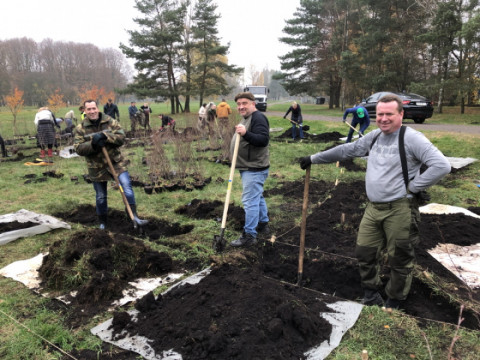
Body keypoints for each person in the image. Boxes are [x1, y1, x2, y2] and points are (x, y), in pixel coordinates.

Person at [299, 94, 451, 309]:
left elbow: (441, 165)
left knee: (399, 257)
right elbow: (348, 149)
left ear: (401, 114)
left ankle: (395, 299)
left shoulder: (411, 138)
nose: (384, 118)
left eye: (389, 114)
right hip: (373, 207)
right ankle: (371, 293)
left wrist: (415, 187)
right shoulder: (375, 136)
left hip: (400, 208)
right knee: (365, 251)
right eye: (380, 114)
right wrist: (314, 158)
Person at [74, 99, 148, 230]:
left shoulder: (110, 121)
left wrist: (106, 137)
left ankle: (134, 216)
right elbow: (78, 149)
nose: (92, 111)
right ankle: (103, 222)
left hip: (115, 162)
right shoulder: (80, 129)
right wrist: (93, 144)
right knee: (101, 196)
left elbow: (121, 137)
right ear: (84, 111)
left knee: (127, 189)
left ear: (98, 108)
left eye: (94, 108)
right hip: (96, 166)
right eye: (89, 109)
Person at [229, 92, 270, 247]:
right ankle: (263, 224)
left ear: (253, 103)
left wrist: (245, 133)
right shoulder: (247, 118)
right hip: (249, 166)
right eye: (239, 104)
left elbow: (263, 140)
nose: (241, 107)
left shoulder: (258, 118)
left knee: (250, 201)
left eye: (244, 103)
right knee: (257, 197)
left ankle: (249, 235)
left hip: (254, 168)